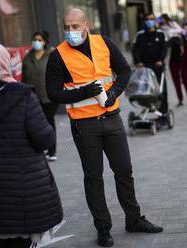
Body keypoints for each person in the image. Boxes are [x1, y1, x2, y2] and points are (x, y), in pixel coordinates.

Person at [46, 8, 163, 247]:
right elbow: (53, 93)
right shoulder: (58, 55)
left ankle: (134, 219)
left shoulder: (104, 43)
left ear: (86, 25)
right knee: (93, 178)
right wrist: (84, 92)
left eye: (75, 27)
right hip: (83, 124)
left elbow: (124, 71)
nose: (70, 32)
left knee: (124, 171)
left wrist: (112, 93)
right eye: (66, 28)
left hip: (112, 119)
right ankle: (103, 228)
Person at [0, 43, 63, 248]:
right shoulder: (23, 96)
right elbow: (44, 139)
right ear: (4, 62)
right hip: (23, 185)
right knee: (21, 241)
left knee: (2, 241)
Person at [22, 31, 59, 161]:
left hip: (49, 96)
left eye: (39, 40)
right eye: (35, 39)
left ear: (44, 42)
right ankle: (41, 147)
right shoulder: (28, 58)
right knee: (36, 124)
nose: (36, 42)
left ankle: (52, 150)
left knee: (49, 122)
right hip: (33, 97)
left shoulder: (51, 55)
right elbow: (24, 78)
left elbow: (58, 74)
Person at [133, 13, 168, 113]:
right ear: (144, 21)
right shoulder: (139, 35)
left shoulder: (161, 34)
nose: (150, 21)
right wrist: (138, 62)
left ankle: (163, 113)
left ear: (155, 21)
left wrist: (161, 60)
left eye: (152, 19)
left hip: (158, 67)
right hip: (145, 68)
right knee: (144, 91)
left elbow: (164, 49)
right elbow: (135, 50)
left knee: (161, 91)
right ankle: (147, 109)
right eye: (147, 19)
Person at [160, 14, 185, 107]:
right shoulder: (162, 28)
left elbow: (182, 31)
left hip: (179, 54)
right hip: (172, 57)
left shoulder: (173, 24)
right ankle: (180, 99)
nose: (161, 20)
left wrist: (173, 31)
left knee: (184, 78)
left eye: (162, 19)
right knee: (176, 80)